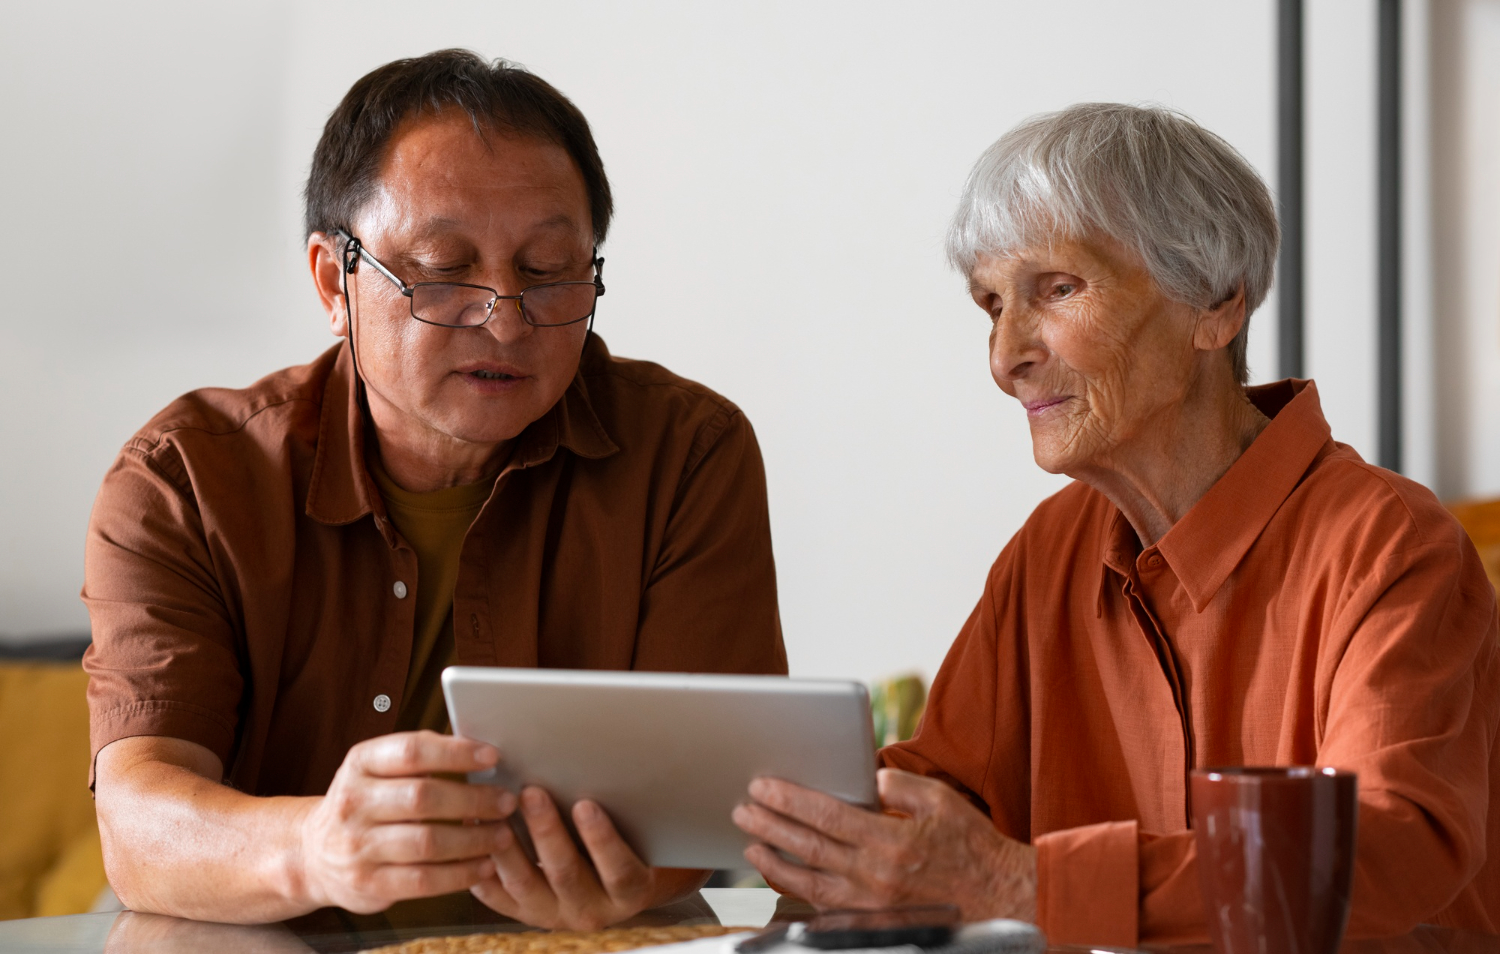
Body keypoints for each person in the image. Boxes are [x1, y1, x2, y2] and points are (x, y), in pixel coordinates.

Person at [733, 103, 1500, 945]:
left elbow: (1388, 850)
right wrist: (784, 828)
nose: (1004, 356)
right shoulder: (1046, 552)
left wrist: (1018, 882)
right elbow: (941, 802)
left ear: (1216, 302)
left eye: (1057, 289)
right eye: (990, 305)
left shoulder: (1389, 545)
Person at [83, 50, 786, 928]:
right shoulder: (186, 481)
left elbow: (718, 798)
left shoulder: (687, 453)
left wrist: (637, 877)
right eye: (444, 268)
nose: (504, 316)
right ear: (331, 281)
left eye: (547, 269)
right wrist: (315, 848)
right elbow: (140, 818)